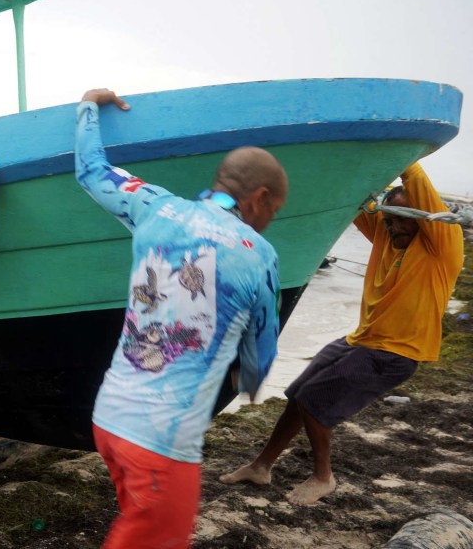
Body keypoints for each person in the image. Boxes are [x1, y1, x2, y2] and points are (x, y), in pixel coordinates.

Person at [76, 89, 287, 549]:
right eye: (274, 210)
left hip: (109, 420)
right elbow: (261, 351)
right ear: (260, 197)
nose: (271, 220)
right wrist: (249, 381)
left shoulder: (156, 207)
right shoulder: (260, 256)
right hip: (161, 444)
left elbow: (91, 170)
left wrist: (89, 106)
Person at [219, 161, 463, 505]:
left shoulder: (441, 247)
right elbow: (355, 197)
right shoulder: (385, 234)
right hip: (361, 340)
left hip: (397, 352)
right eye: (390, 219)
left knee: (314, 401)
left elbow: (415, 176)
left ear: (424, 219)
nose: (395, 227)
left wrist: (391, 147)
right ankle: (261, 466)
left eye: (405, 220)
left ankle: (323, 477)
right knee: (298, 393)